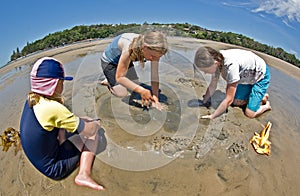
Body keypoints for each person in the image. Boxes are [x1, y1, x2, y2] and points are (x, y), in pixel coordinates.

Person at [20, 57, 106, 191]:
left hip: (41, 157)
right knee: (93, 135)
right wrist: (96, 124)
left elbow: (59, 122)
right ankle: (83, 174)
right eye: (62, 82)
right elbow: (89, 131)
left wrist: (78, 124)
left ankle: (66, 146)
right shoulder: (53, 108)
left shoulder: (33, 100)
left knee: (80, 124)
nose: (63, 85)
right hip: (54, 168)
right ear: (54, 84)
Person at [193, 46, 271, 119]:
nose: (206, 73)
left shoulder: (231, 67)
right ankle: (261, 97)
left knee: (249, 113)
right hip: (246, 76)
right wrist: (204, 101)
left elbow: (229, 99)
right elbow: (213, 85)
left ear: (215, 63)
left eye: (205, 70)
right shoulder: (216, 58)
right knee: (236, 102)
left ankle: (266, 106)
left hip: (260, 75)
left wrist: (213, 116)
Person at [100, 31, 168, 110]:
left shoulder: (155, 50)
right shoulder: (129, 47)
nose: (153, 59)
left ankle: (114, 79)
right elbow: (120, 78)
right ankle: (109, 82)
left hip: (126, 61)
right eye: (152, 56)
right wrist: (142, 91)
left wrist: (155, 98)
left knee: (134, 84)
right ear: (144, 47)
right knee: (122, 93)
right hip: (109, 62)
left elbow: (154, 76)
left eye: (157, 57)